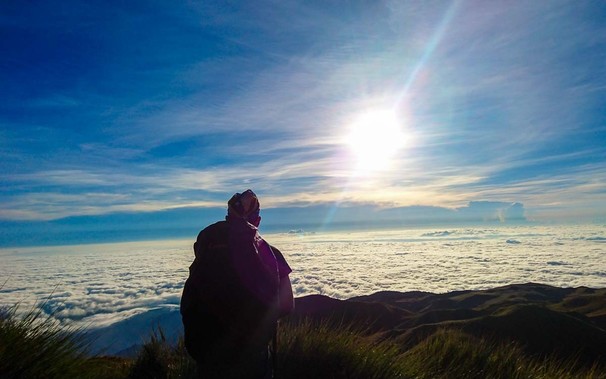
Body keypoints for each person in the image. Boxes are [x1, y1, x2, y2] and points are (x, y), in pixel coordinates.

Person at [180, 189, 294, 379]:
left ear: (228, 215)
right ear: (257, 219)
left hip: (208, 350)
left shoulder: (209, 248)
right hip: (252, 353)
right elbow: (287, 304)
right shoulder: (271, 253)